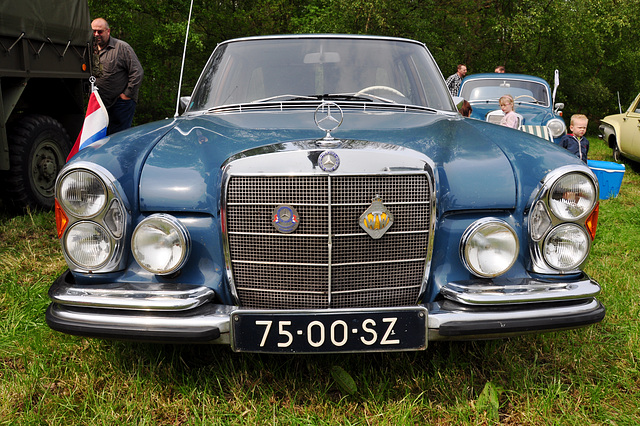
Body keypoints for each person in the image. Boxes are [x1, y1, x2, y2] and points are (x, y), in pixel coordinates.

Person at [91, 18, 144, 135]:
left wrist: (126, 95)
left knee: (117, 140)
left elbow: (137, 72)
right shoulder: (91, 50)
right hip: (100, 104)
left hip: (121, 104)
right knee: (99, 141)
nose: (96, 35)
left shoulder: (122, 48)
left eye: (100, 32)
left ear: (108, 31)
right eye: (93, 31)